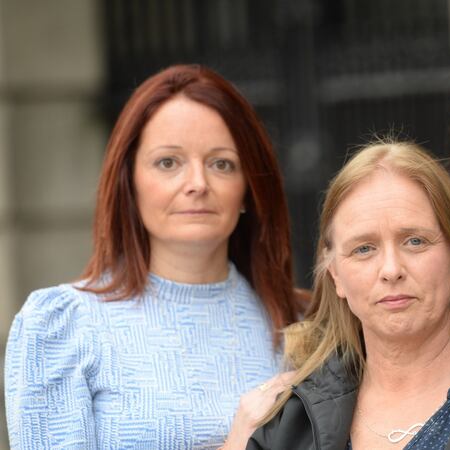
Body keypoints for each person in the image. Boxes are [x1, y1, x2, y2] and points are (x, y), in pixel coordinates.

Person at [4, 64, 302, 449]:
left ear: (247, 188)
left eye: (221, 163)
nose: (197, 184)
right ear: (130, 183)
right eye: (168, 162)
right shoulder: (62, 328)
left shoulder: (301, 325)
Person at [237, 141, 450, 450]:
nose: (391, 269)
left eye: (415, 241)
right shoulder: (288, 422)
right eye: (363, 249)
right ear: (337, 278)